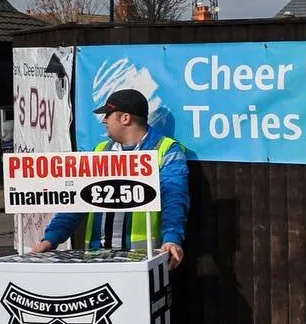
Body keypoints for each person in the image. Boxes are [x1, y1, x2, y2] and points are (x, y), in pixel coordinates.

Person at [33, 88, 189, 268]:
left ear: (125, 118)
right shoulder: (100, 151)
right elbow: (77, 201)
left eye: (108, 114)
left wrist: (172, 238)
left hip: (143, 260)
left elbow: (174, 198)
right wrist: (51, 239)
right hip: (97, 257)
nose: (104, 120)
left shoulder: (167, 150)